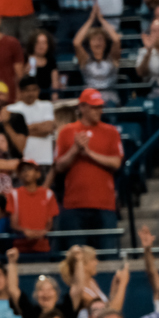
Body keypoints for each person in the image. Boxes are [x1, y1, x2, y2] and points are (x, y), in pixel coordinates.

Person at [54, 89, 122, 251]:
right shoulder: (67, 132)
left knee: (108, 254)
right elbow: (59, 166)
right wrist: (75, 150)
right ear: (82, 107)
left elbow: (116, 162)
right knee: (76, 257)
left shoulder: (110, 132)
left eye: (100, 107)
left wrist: (89, 153)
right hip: (74, 204)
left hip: (104, 204)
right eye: (94, 107)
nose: (99, 111)